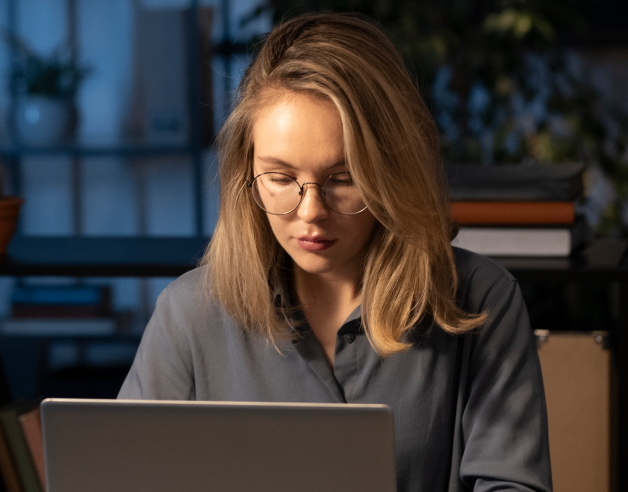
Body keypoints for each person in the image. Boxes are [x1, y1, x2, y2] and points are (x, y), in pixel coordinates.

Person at [118, 12, 552, 492]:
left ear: (391, 172)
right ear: (247, 175)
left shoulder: (479, 299)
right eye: (281, 179)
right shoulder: (188, 315)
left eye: (343, 180)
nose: (311, 212)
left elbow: (512, 484)